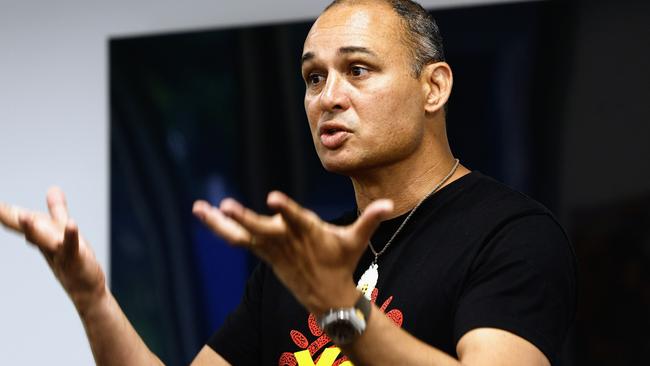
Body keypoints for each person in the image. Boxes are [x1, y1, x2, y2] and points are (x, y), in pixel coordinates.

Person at [0, 0, 575, 365]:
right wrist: (91, 297)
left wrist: (336, 306)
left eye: (357, 70)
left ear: (435, 87)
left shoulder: (511, 235)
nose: (328, 97)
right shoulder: (298, 262)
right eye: (312, 77)